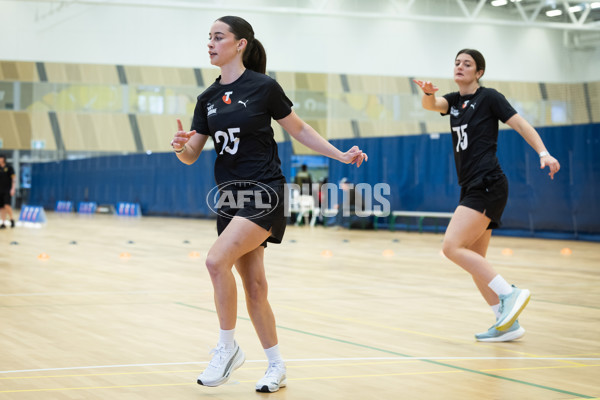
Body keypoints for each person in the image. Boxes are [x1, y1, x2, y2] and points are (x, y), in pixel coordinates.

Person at [170, 16, 367, 393]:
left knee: (214, 262)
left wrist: (340, 156)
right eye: (207, 38)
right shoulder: (207, 99)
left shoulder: (264, 87)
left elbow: (301, 130)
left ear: (240, 43)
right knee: (256, 287)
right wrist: (179, 145)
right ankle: (276, 366)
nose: (210, 43)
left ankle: (226, 348)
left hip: (264, 191)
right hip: (230, 198)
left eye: (218, 37)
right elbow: (192, 154)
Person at [413, 49, 560, 342]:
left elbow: (520, 124)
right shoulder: (454, 101)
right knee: (476, 260)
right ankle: (506, 323)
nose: (460, 67)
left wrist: (543, 152)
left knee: (451, 247)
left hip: (487, 183)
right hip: (471, 185)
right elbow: (432, 106)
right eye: (456, 62)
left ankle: (510, 293)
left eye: (467, 64)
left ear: (479, 72)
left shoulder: (489, 97)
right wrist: (428, 94)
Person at [0, 155, 16, 229]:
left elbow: (13, 178)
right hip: (0, 190)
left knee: (7, 205)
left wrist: (13, 188)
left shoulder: (9, 167)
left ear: (3, 159)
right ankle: (3, 222)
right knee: (1, 208)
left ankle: (11, 219)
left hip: (7, 190)